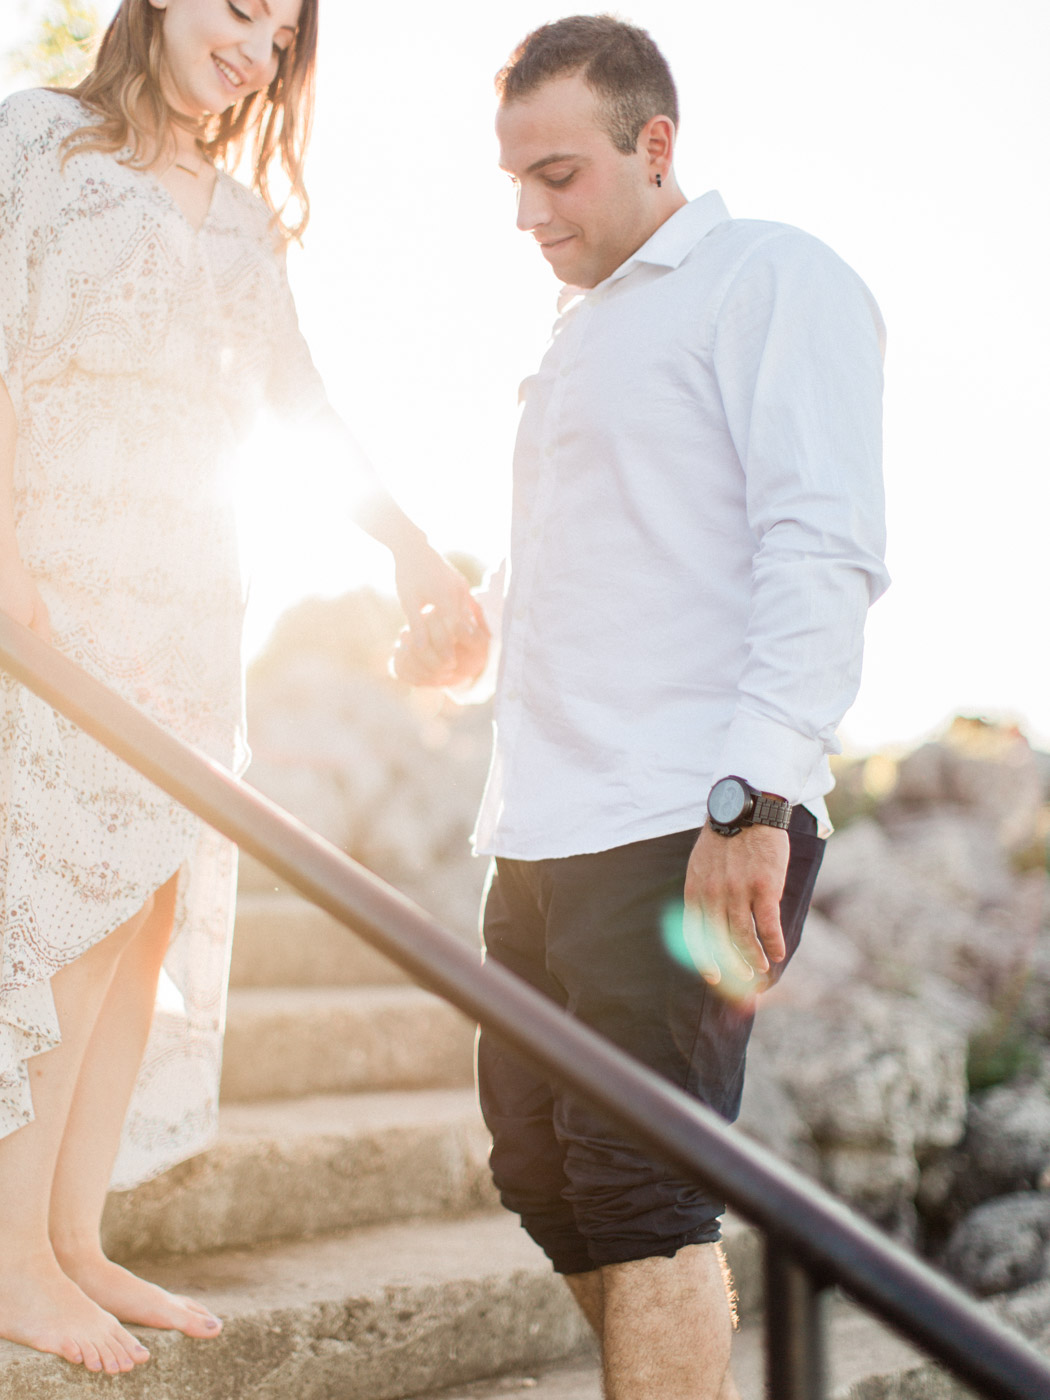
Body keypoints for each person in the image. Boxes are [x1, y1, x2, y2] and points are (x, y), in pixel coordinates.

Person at [394, 14, 889, 1400]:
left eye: (555, 174)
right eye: (512, 178)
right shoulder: (580, 329)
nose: (525, 210)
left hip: (685, 820)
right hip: (541, 830)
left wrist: (753, 805)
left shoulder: (765, 278)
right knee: (540, 1175)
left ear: (652, 144)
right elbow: (615, 560)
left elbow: (821, 548)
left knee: (637, 1186)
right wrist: (472, 636)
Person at [0, 0, 476, 1376]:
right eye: (238, 7)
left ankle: (74, 1239)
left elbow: (298, 409)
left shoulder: (244, 221)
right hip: (58, 598)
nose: (257, 46)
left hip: (192, 611)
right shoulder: (36, 144)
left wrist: (409, 553)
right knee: (69, 916)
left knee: (145, 918)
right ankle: (13, 1256)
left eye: (281, 32)